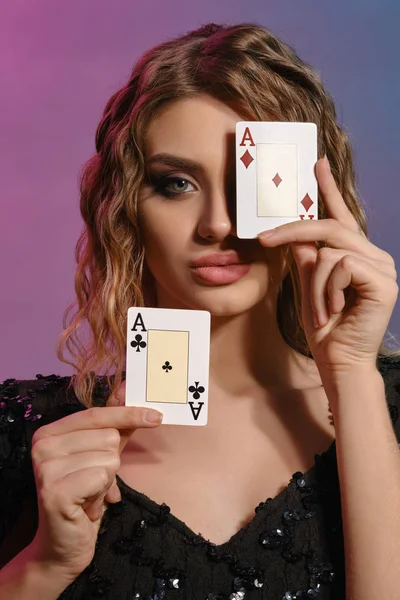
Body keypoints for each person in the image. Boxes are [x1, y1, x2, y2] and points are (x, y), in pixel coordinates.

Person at [0, 21, 399, 600]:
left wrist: (354, 376)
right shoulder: (28, 433)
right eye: (176, 183)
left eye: (252, 183)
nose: (217, 223)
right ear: (125, 207)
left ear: (313, 195)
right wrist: (38, 568)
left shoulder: (386, 405)